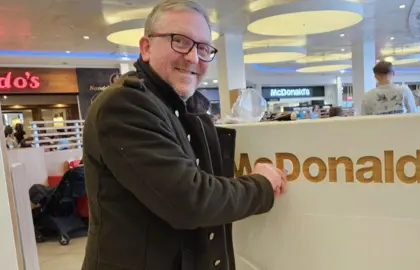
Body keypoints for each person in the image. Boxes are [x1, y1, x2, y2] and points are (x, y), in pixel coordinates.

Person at [81, 1, 288, 270]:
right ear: (146, 47)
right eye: (179, 41)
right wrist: (262, 184)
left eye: (203, 48)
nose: (193, 58)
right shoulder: (124, 104)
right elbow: (190, 201)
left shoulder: (180, 107)